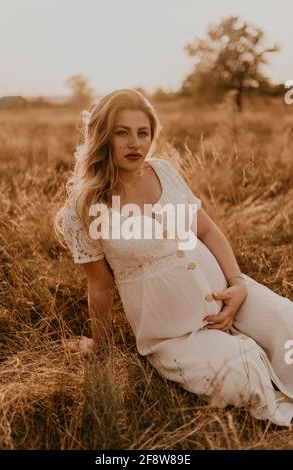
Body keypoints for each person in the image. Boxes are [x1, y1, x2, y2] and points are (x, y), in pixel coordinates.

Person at [54, 88, 293, 427]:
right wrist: (102, 347)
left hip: (228, 293)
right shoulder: (83, 206)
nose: (134, 143)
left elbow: (207, 231)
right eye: (122, 132)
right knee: (245, 373)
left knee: (288, 324)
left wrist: (238, 284)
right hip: (173, 331)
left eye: (143, 132)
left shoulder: (162, 171)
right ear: (103, 136)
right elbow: (101, 285)